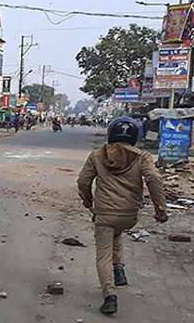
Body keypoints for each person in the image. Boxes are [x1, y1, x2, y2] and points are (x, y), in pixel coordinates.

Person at [77, 116, 168, 315]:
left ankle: (109, 296)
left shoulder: (97, 155)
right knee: (116, 232)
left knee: (103, 255)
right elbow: (154, 179)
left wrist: (88, 201)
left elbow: (83, 181)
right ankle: (119, 271)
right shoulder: (143, 156)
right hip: (129, 215)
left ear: (110, 134)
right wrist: (160, 209)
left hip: (104, 212)